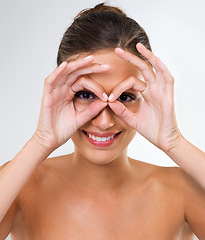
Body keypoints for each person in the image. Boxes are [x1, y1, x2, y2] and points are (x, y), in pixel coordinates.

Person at [0, 2, 205, 239]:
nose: (104, 121)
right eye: (85, 95)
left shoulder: (181, 191)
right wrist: (40, 141)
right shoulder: (20, 185)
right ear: (58, 94)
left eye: (125, 96)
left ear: (145, 98)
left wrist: (174, 141)